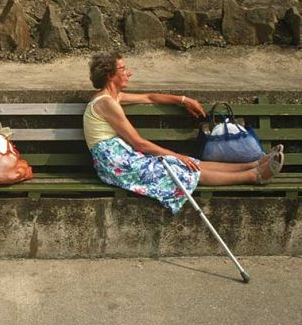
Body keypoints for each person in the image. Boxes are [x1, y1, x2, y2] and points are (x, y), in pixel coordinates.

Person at [84, 51, 285, 214]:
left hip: (121, 157)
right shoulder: (107, 103)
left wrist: (183, 100)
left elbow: (150, 97)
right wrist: (178, 156)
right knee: (181, 169)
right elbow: (139, 143)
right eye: (123, 68)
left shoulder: (112, 97)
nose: (129, 73)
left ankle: (255, 163)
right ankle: (254, 176)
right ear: (110, 75)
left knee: (186, 163)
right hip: (115, 163)